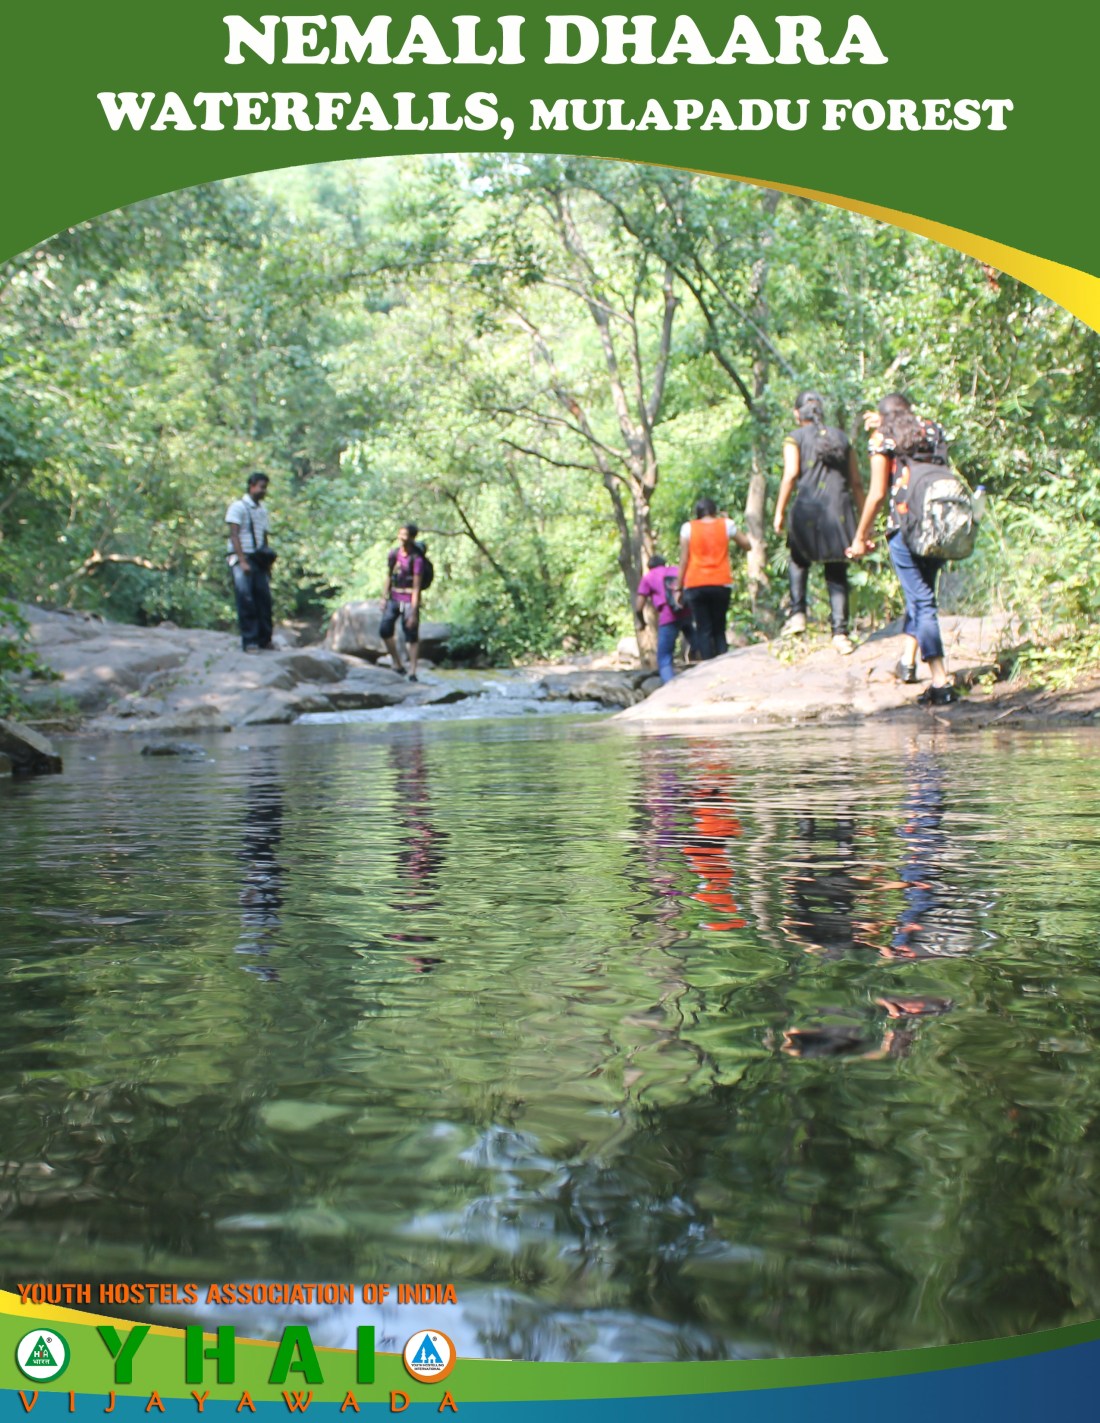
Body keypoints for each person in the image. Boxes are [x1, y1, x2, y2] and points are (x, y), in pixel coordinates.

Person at [846, 393, 957, 704]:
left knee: (921, 600)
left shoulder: (883, 437)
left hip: (905, 526)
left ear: (883, 415)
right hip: (939, 525)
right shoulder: (933, 429)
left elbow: (878, 492)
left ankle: (940, 679)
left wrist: (860, 536)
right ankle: (908, 662)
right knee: (922, 593)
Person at [772, 391, 865, 655]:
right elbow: (856, 482)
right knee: (836, 570)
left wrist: (779, 511)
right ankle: (840, 634)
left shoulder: (795, 438)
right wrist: (864, 518)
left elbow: (790, 474)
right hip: (839, 510)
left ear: (797, 413)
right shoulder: (842, 438)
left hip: (807, 508)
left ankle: (798, 615)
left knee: (799, 560)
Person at [675, 498, 751, 660]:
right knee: (719, 628)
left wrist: (678, 587)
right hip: (720, 582)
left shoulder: (688, 528)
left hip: (695, 584)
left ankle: (708, 664)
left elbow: (684, 560)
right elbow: (747, 544)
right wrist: (729, 523)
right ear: (715, 511)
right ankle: (723, 664)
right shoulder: (726, 525)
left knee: (703, 629)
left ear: (698, 513)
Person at [225, 472, 274, 654]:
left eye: (265, 488)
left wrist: (268, 562)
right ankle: (250, 641)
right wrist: (242, 561)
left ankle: (265, 639)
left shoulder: (262, 510)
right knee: (246, 599)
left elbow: (264, 536)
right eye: (261, 487)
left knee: (264, 599)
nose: (264, 491)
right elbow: (234, 534)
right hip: (241, 557)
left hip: (259, 558)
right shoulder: (237, 507)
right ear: (252, 485)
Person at [635, 555, 693, 683]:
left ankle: (670, 687)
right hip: (687, 611)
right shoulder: (676, 570)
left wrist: (642, 622)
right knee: (698, 643)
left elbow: (639, 606)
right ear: (664, 563)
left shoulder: (648, 577)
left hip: (669, 616)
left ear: (649, 567)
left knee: (664, 657)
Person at [380, 522, 426, 681]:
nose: (402, 538)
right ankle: (397, 663)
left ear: (412, 538)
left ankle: (412, 671)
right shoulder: (394, 554)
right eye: (400, 534)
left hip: (408, 600)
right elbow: (388, 576)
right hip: (394, 597)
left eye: (405, 535)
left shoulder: (417, 559)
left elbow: (416, 587)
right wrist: (383, 598)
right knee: (384, 630)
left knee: (411, 636)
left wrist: (413, 612)